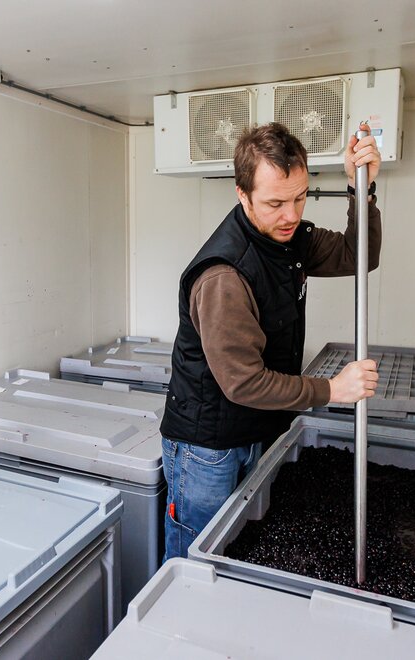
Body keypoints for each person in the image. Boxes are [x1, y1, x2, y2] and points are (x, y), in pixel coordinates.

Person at [159, 121, 384, 561]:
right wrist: (332, 390)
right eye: (275, 203)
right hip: (209, 449)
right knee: (196, 561)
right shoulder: (224, 275)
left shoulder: (290, 239)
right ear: (242, 195)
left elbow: (361, 257)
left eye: (300, 198)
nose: (291, 215)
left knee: (239, 553)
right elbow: (244, 383)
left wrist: (362, 189)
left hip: (259, 429)